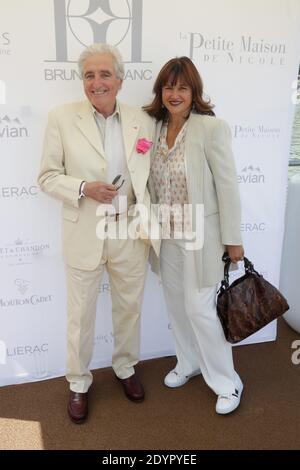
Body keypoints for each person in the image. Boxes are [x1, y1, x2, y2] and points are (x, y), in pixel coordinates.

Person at [38, 43, 159, 424]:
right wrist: (83, 188)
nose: (97, 82)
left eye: (105, 74)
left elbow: (149, 175)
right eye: (89, 75)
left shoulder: (143, 119)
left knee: (130, 308)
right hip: (84, 233)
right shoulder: (60, 117)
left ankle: (125, 368)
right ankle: (78, 382)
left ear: (120, 80)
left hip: (128, 231)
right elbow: (46, 177)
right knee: (81, 316)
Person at [144, 57, 244, 415]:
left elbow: (227, 186)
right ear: (161, 91)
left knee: (201, 309)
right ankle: (188, 362)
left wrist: (233, 239)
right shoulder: (152, 128)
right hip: (166, 234)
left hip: (201, 235)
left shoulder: (210, 129)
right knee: (176, 305)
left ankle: (227, 382)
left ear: (193, 92)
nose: (175, 94)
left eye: (182, 87)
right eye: (169, 87)